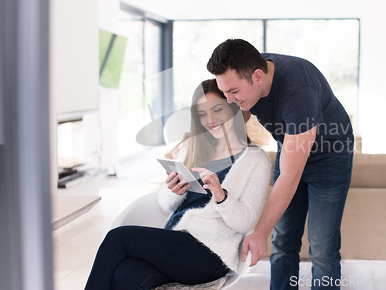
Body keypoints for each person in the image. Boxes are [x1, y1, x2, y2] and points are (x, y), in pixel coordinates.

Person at [84, 79, 271, 290]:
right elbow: (165, 204)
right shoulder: (191, 148)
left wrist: (221, 195)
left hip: (211, 253)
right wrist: (173, 190)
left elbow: (245, 222)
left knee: (118, 238)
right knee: (124, 274)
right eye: (202, 114)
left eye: (217, 109)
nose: (210, 119)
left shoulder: (256, 160)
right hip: (176, 244)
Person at [207, 39, 354, 290]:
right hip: (290, 147)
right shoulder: (249, 69)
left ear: (257, 77)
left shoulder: (298, 91)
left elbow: (289, 175)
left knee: (321, 248)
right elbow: (234, 125)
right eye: (225, 92)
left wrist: (259, 232)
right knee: (283, 241)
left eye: (233, 92)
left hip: (330, 157)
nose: (230, 100)